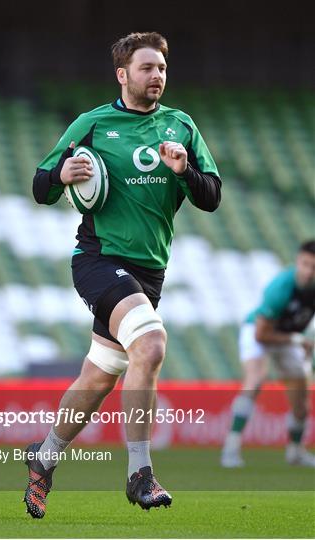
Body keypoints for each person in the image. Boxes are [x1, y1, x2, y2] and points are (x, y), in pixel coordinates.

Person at [24, 31, 221, 518]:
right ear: (123, 74)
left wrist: (184, 173)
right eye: (147, 68)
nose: (157, 76)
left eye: (162, 69)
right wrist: (61, 176)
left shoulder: (180, 126)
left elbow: (211, 196)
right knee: (151, 345)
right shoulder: (92, 124)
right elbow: (39, 186)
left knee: (97, 380)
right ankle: (140, 473)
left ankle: (43, 457)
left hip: (150, 273)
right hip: (98, 260)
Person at [221, 240, 315, 468]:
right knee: (256, 378)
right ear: (297, 261)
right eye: (305, 264)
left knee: (301, 401)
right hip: (259, 331)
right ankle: (231, 449)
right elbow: (261, 335)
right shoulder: (281, 287)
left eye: (314, 267)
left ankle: (295, 451)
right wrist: (296, 339)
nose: (309, 272)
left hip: (289, 337)